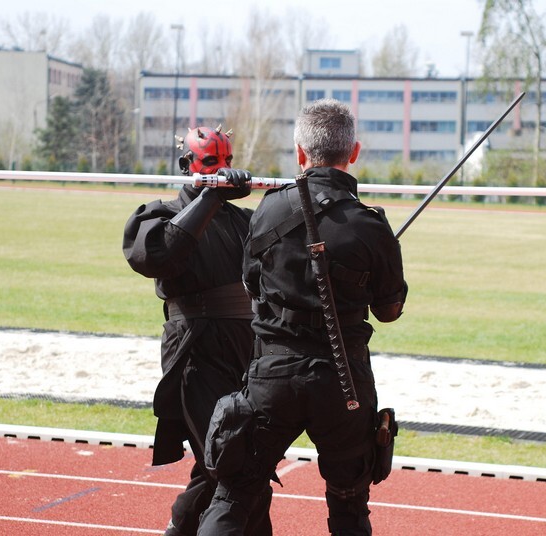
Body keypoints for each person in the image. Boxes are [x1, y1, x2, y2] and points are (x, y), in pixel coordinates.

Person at [197, 99, 408, 535]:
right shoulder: (370, 226)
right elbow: (389, 312)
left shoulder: (270, 210)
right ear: (354, 152)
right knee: (349, 505)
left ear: (299, 152)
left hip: (273, 373)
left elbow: (251, 287)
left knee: (233, 494)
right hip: (342, 381)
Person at [122, 125, 272, 536]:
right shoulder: (160, 215)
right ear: (187, 165)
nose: (220, 170)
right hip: (195, 352)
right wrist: (209, 196)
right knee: (232, 463)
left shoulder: (243, 221)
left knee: (229, 465)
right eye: (209, 162)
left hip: (247, 352)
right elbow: (159, 256)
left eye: (226, 162)